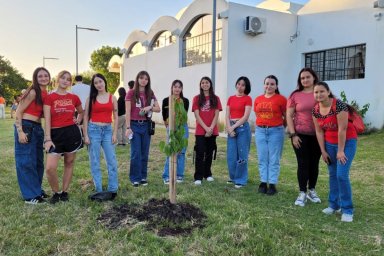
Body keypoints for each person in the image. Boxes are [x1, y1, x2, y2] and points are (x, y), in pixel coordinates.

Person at [312, 81, 357, 222]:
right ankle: (334, 205)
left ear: (328, 91)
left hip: (347, 142)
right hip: (329, 143)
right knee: (333, 175)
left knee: (342, 175)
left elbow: (342, 129)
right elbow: (319, 131)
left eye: (321, 91)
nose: (319, 94)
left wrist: (341, 151)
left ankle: (347, 209)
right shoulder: (315, 110)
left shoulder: (339, 106)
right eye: (316, 92)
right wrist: (323, 151)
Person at [43, 70, 83, 204]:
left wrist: (78, 119)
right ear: (57, 79)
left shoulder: (74, 97)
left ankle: (65, 191)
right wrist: (48, 138)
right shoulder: (49, 97)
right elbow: (47, 119)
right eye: (63, 78)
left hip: (71, 133)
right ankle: (56, 192)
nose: (65, 81)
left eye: (68, 79)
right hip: (55, 134)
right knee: (50, 168)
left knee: (69, 163)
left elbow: (81, 112)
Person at [14, 67, 50, 204]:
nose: (43, 78)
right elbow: (18, 111)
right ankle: (30, 196)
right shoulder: (33, 91)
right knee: (26, 162)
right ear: (35, 78)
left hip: (37, 128)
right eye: (40, 76)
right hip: (26, 126)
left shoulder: (45, 93)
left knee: (37, 162)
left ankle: (36, 190)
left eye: (46, 75)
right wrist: (20, 131)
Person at [287, 67, 322, 206]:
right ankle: (302, 192)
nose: (305, 80)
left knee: (314, 164)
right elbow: (289, 115)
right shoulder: (295, 95)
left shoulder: (320, 92)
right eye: (302, 78)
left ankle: (312, 191)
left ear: (314, 77)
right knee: (302, 164)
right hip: (299, 135)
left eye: (308, 77)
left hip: (318, 135)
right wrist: (293, 134)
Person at [83, 73, 119, 198]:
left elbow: (115, 116)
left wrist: (115, 133)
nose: (98, 84)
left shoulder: (112, 97)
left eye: (100, 81)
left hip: (108, 130)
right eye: (96, 83)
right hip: (94, 130)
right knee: (95, 161)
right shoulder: (90, 99)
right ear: (94, 85)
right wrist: (86, 135)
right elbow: (86, 117)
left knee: (112, 160)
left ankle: (113, 189)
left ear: (104, 81)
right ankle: (98, 189)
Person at [125, 71, 160, 187]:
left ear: (148, 81)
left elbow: (158, 108)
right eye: (141, 78)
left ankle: (143, 177)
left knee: (145, 152)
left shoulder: (150, 93)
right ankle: (135, 178)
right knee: (136, 153)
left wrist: (149, 107)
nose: (143, 80)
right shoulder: (130, 93)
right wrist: (128, 127)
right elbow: (128, 111)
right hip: (134, 125)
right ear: (137, 79)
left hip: (145, 125)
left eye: (146, 79)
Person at [254, 75, 287, 195]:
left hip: (275, 131)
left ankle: (272, 184)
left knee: (274, 159)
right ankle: (263, 182)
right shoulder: (258, 99)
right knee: (262, 157)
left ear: (276, 86)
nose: (269, 86)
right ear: (264, 85)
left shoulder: (281, 99)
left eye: (272, 84)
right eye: (267, 83)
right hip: (260, 131)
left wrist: (281, 127)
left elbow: (286, 116)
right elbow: (257, 114)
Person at [192, 76, 222, 185]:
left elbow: (216, 114)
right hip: (200, 131)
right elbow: (197, 115)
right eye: (203, 83)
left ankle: (207, 174)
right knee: (200, 153)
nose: (205, 84)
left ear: (210, 84)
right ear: (200, 85)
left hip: (212, 131)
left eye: (207, 82)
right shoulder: (196, 98)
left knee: (209, 152)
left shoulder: (216, 98)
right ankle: (198, 176)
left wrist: (211, 128)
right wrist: (206, 128)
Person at [226, 76, 252, 189]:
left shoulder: (248, 99)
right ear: (236, 84)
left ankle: (241, 179)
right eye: (239, 84)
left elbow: (245, 117)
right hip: (231, 127)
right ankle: (233, 177)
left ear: (246, 87)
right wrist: (229, 128)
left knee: (242, 155)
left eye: (243, 85)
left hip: (242, 128)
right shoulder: (230, 98)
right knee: (231, 155)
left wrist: (234, 127)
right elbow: (227, 115)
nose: (240, 86)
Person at [161, 80, 189, 184]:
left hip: (182, 128)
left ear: (181, 89)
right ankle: (167, 175)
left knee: (181, 152)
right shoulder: (166, 100)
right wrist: (169, 127)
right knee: (171, 151)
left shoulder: (185, 101)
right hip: (171, 127)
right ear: (172, 88)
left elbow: (184, 115)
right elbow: (164, 116)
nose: (177, 89)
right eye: (175, 86)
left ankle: (179, 175)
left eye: (179, 87)